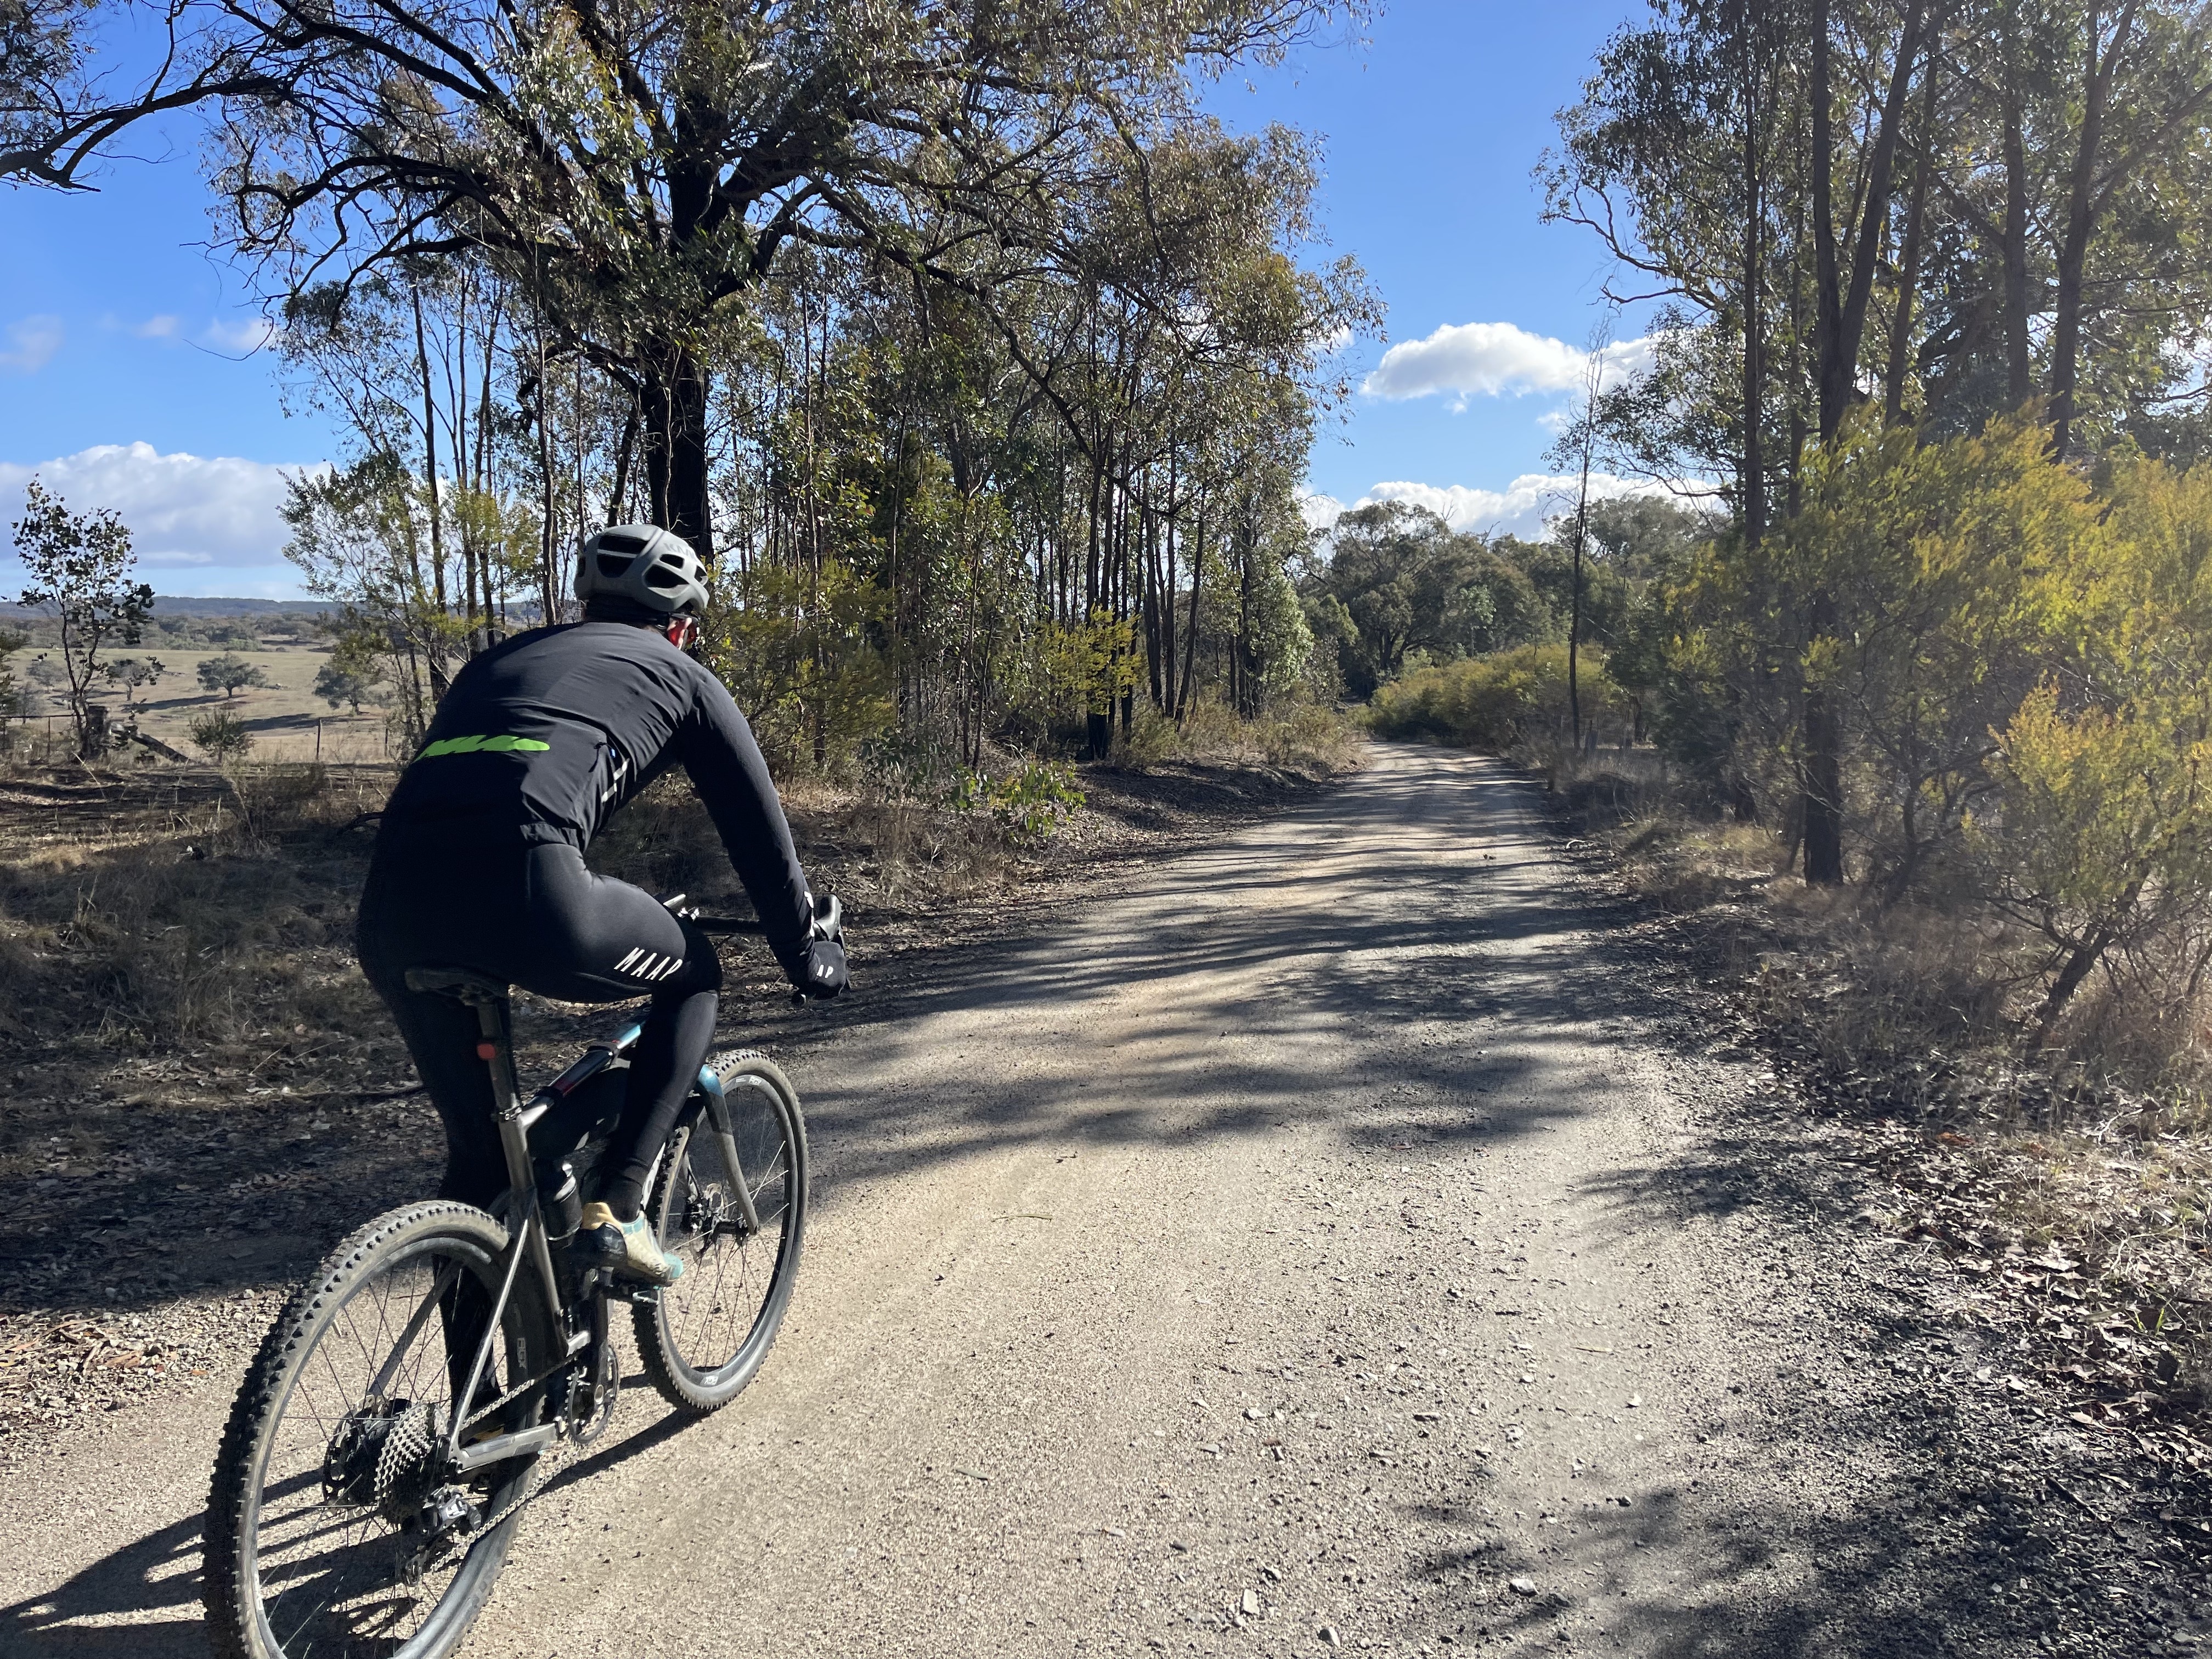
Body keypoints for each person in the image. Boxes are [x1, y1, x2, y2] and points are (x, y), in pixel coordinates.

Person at [356, 524, 846, 1285]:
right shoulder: (685, 678)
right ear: (681, 626)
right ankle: (620, 1207)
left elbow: (494, 783)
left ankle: (483, 1404)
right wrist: (808, 952)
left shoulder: (497, 660)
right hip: (534, 891)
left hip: (391, 907)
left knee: (484, 1166)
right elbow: (758, 838)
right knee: (695, 973)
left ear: (582, 606)